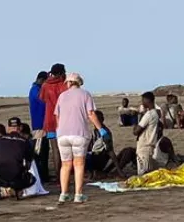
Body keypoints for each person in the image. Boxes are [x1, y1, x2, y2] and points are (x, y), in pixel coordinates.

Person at [54, 72, 108, 203]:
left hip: (62, 135)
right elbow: (91, 114)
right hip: (79, 134)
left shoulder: (62, 96)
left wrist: (59, 129)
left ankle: (63, 193)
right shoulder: (85, 94)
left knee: (65, 164)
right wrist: (101, 129)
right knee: (78, 164)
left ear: (69, 82)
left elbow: (57, 116)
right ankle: (78, 194)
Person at [0, 117, 38, 197]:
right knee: (32, 179)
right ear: (20, 128)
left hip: (0, 176)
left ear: (8, 128)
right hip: (16, 177)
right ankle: (17, 190)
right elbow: (29, 158)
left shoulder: (0, 139)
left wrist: (2, 154)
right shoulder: (24, 141)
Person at [39, 63, 68, 184]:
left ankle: (57, 177)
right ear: (61, 73)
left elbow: (43, 99)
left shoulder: (45, 85)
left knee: (55, 149)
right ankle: (64, 175)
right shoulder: (63, 85)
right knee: (65, 150)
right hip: (63, 120)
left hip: (50, 121)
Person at [86, 110, 124, 178]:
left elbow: (110, 151)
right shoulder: (95, 131)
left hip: (100, 157)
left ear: (102, 119)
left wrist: (119, 171)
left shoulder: (105, 133)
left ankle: (94, 173)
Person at [133, 92, 164, 176]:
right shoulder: (155, 114)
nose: (142, 102)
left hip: (144, 146)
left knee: (143, 174)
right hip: (150, 146)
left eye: (143, 100)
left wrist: (136, 120)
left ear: (147, 100)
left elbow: (136, 132)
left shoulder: (149, 114)